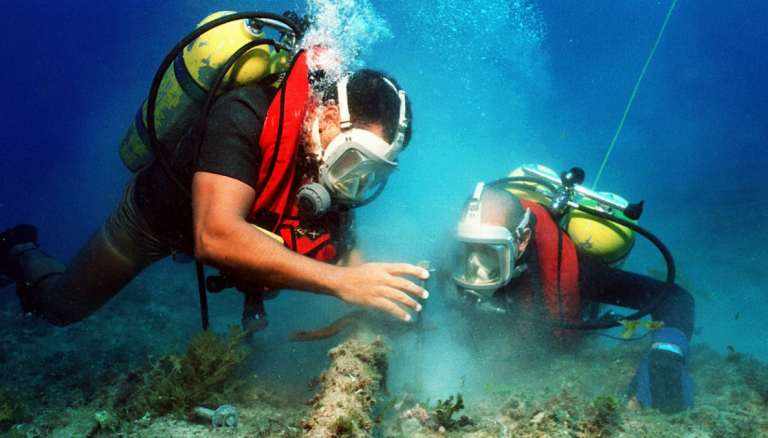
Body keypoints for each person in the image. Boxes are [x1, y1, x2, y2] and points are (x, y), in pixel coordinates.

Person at [0, 46, 429, 333]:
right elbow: (215, 237)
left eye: (374, 174)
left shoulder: (331, 156)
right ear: (330, 117)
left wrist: (381, 298)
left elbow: (347, 249)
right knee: (61, 309)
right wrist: (341, 283)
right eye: (358, 163)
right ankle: (19, 251)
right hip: (156, 219)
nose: (357, 183)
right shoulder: (242, 113)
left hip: (236, 225)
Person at [445, 181, 695, 414]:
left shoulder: (576, 273)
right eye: (467, 248)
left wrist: (666, 354)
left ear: (521, 241)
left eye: (489, 251)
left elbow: (674, 298)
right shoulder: (449, 257)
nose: (474, 266)